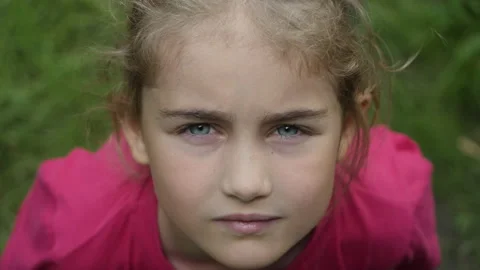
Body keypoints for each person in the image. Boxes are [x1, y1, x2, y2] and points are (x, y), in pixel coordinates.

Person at [0, 0, 441, 269]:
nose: (246, 184)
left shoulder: (388, 220)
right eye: (199, 127)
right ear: (133, 129)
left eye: (289, 128)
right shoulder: (72, 245)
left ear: (349, 129)